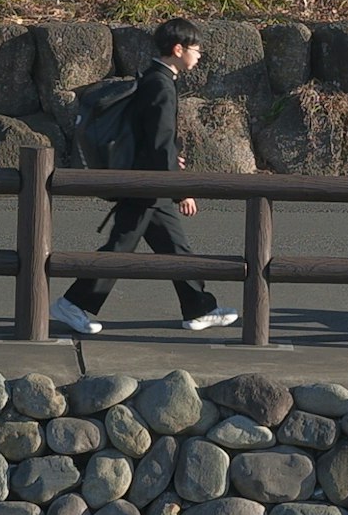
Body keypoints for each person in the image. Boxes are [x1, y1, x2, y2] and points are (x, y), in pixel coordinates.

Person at [55, 18, 238, 337]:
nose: (199, 54)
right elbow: (160, 142)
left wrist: (171, 172)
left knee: (174, 247)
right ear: (178, 49)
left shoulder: (153, 79)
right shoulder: (161, 84)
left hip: (147, 181)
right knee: (121, 247)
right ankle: (72, 303)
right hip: (147, 184)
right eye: (196, 49)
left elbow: (152, 140)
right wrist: (180, 188)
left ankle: (199, 308)